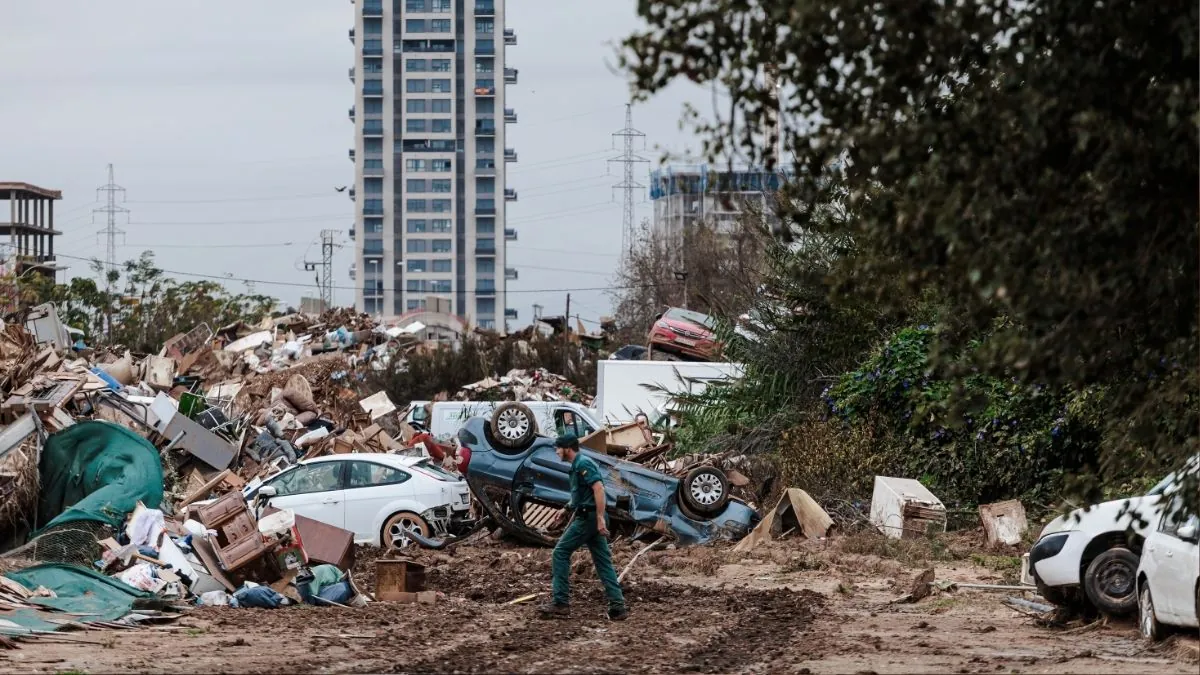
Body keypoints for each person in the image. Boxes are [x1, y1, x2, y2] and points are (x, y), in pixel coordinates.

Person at [540, 433, 628, 621]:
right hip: (588, 516)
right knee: (603, 562)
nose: (556, 452)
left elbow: (599, 489)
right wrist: (566, 509)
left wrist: (599, 518)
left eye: (558, 448)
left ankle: (560, 603)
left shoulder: (583, 463)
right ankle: (618, 606)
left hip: (588, 519)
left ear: (567, 449)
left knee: (560, 553)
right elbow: (582, 493)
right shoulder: (577, 465)